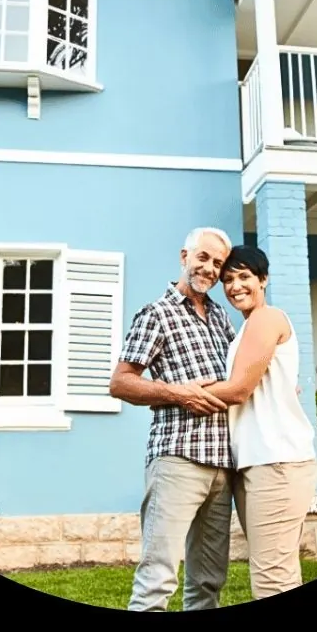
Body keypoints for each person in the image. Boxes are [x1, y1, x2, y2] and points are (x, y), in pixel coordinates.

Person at [108, 226, 238, 612]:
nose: (210, 268)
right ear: (185, 257)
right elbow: (120, 382)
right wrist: (178, 392)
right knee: (157, 579)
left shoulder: (220, 318)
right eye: (203, 258)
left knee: (208, 582)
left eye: (218, 263)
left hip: (222, 465)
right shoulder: (156, 313)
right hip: (177, 461)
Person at [199, 244, 317, 601]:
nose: (235, 286)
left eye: (244, 277)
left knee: (271, 579)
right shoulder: (247, 329)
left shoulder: (268, 318)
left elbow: (238, 390)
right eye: (228, 279)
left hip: (277, 461)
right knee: (278, 571)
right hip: (257, 462)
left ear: (263, 279)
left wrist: (176, 392)